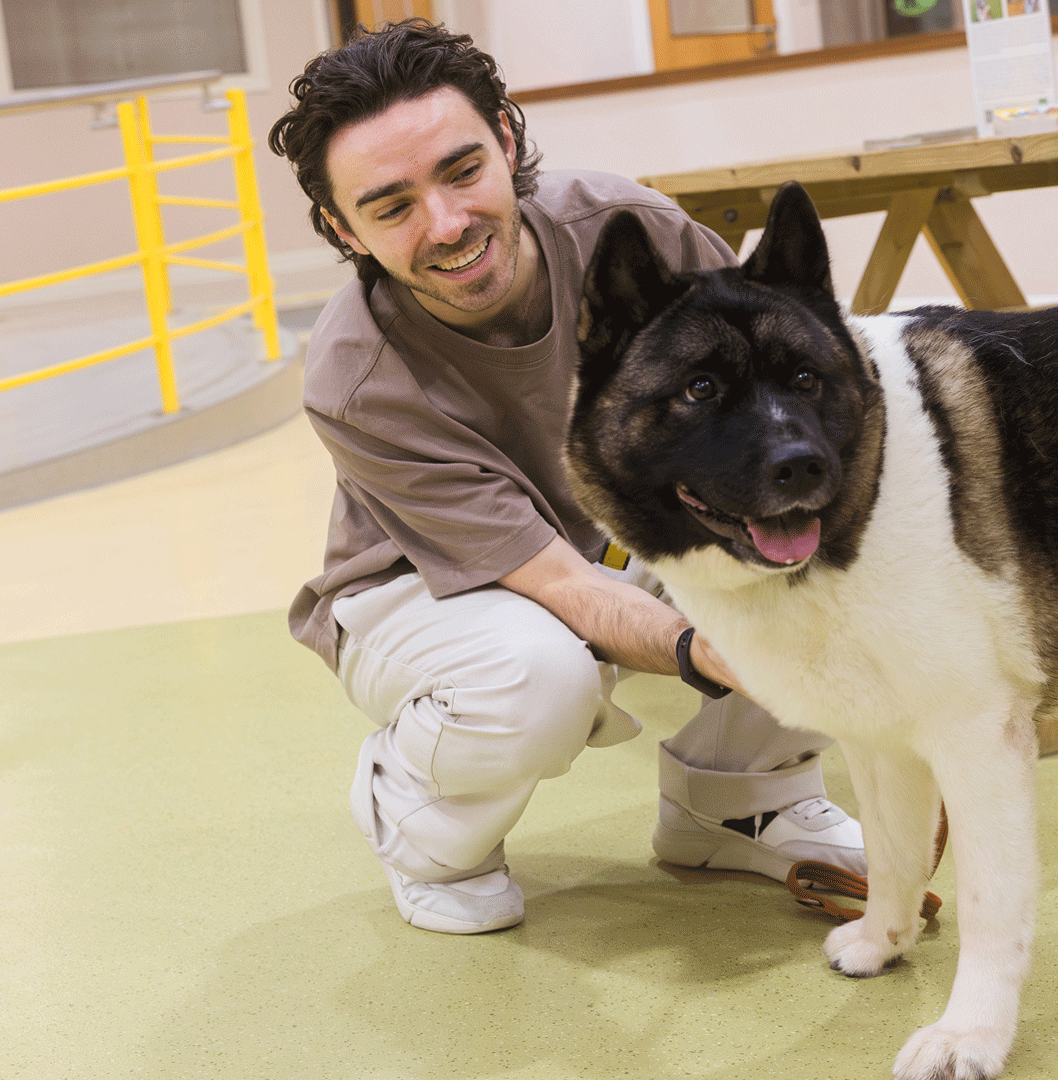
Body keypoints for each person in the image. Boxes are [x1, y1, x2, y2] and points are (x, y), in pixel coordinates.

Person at [268, 19, 865, 936]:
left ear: (507, 139)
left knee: (834, 548)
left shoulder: (633, 232)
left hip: (612, 539)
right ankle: (420, 824)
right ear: (341, 229)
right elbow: (558, 585)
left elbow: (785, 394)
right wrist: (704, 648)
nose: (447, 225)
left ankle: (741, 801)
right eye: (391, 208)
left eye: (462, 170)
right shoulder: (356, 377)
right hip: (421, 590)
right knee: (537, 675)